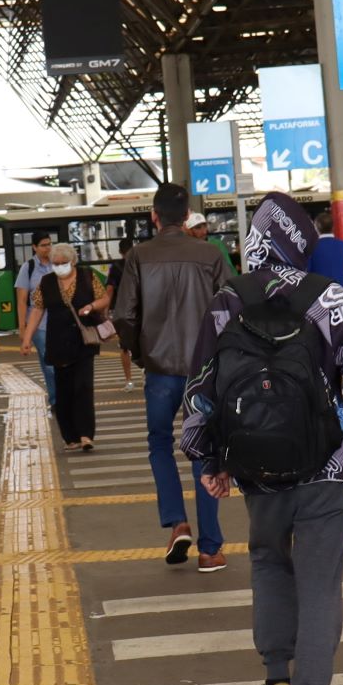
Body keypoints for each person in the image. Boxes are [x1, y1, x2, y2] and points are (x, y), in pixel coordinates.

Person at [182, 192, 343, 685]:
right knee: (319, 580)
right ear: (301, 241)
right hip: (327, 464)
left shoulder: (228, 300)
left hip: (257, 466)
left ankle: (276, 683)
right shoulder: (332, 300)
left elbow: (202, 390)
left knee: (269, 563)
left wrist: (211, 461)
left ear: (254, 242)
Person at [113, 184, 228, 572]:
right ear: (188, 215)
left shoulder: (139, 256)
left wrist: (144, 353)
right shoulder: (211, 254)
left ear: (154, 216)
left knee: (160, 442)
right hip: (204, 372)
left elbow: (124, 316)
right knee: (203, 450)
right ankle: (210, 549)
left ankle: (177, 521)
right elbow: (231, 309)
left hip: (160, 370)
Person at [22, 243, 106, 451]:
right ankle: (70, 437)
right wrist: (27, 338)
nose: (59, 267)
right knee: (63, 390)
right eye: (55, 263)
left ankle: (86, 434)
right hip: (57, 342)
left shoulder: (87, 276)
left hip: (83, 340)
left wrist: (92, 306)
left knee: (83, 387)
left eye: (63, 263)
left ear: (73, 261)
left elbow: (104, 298)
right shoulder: (47, 282)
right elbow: (37, 309)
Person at [14, 230, 56, 409]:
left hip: (59, 321)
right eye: (43, 245)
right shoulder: (28, 267)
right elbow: (22, 301)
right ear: (34, 247)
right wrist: (23, 329)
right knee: (49, 364)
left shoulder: (58, 263)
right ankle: (57, 400)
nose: (48, 248)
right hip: (38, 324)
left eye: (49, 244)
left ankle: (58, 397)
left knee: (55, 362)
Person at [105, 237, 135, 391]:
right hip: (140, 310)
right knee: (146, 343)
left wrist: (105, 312)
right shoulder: (140, 264)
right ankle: (147, 373)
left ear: (120, 252)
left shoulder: (115, 267)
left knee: (124, 347)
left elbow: (109, 290)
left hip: (121, 311)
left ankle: (129, 380)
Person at [307, 211, 343, 287]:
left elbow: (306, 273)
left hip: (319, 293)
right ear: (333, 227)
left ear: (316, 227)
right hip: (340, 292)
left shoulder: (311, 246)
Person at [188, 211, 239, 276]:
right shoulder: (187, 248)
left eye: (205, 226)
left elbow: (228, 268)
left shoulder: (216, 244)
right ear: (189, 231)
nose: (204, 231)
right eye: (198, 228)